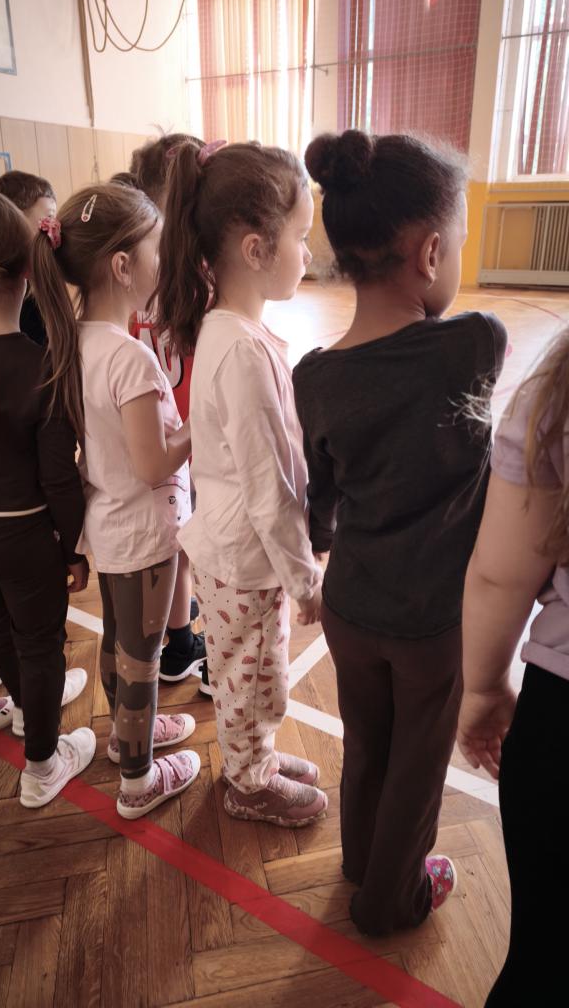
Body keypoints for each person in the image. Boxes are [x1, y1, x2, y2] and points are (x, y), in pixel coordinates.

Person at [292, 130, 507, 933]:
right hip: (432, 621)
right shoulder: (475, 343)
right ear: (430, 253)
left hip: (350, 607)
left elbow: (318, 502)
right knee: (417, 764)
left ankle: (361, 862)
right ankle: (393, 898)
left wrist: (319, 545)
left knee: (367, 744)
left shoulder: (313, 377)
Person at [155, 140, 327, 827]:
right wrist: (304, 578)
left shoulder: (231, 331)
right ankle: (248, 783)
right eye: (301, 237)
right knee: (253, 679)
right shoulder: (241, 351)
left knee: (251, 674)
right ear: (256, 250)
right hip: (249, 559)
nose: (308, 253)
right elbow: (269, 488)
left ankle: (255, 757)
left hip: (238, 553)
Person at [30, 182, 200, 819]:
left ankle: (127, 739)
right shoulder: (129, 358)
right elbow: (153, 463)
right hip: (144, 533)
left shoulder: (74, 339)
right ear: (124, 266)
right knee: (142, 662)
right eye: (156, 249)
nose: (164, 261)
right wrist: (200, 421)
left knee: (120, 644)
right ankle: (137, 778)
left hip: (110, 525)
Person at [457, 331, 569, 1005]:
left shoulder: (560, 379)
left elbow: (501, 575)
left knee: (543, 960)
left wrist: (483, 687)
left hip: (560, 728)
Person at [0, 190, 94, 808]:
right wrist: (75, 548)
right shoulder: (41, 365)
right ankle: (43, 765)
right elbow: (59, 478)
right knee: (39, 643)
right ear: (28, 272)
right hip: (25, 532)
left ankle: (30, 710)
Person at [127, 134, 207, 686]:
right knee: (186, 542)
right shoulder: (198, 277)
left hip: (148, 433)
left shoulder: (134, 275)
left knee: (175, 540)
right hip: (187, 436)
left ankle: (175, 632)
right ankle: (180, 641)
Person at [0, 170, 57, 346]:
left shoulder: (37, 281)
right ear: (15, 220)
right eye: (49, 217)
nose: (55, 228)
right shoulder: (15, 289)